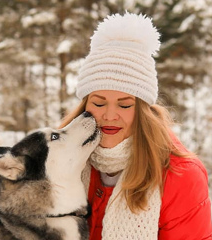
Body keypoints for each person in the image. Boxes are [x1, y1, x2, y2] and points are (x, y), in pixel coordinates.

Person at [59, 12, 212, 239]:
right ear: (85, 106)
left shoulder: (180, 175)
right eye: (99, 103)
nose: (110, 115)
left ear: (143, 112)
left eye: (125, 106)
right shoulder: (60, 160)